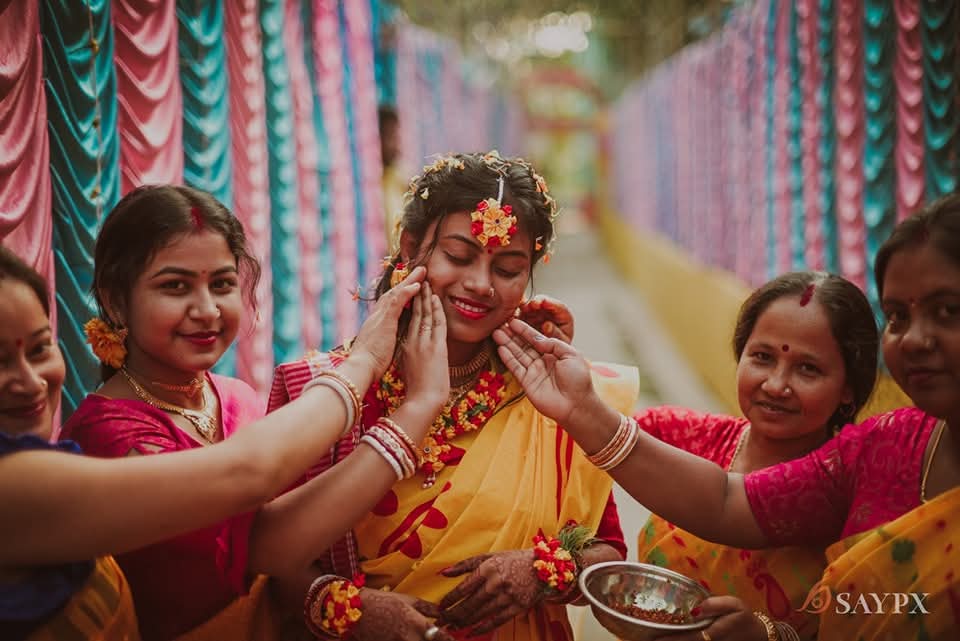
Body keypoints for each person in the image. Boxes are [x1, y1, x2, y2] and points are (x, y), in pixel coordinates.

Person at [493, 193, 960, 640]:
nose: (776, 385)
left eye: (948, 311)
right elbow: (592, 458)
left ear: (849, 391)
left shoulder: (844, 463)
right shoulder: (887, 446)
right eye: (898, 316)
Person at [268, 151, 638, 641]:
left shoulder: (548, 392)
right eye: (459, 257)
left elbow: (609, 550)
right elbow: (266, 561)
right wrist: (354, 611)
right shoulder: (322, 390)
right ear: (410, 246)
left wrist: (543, 571)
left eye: (507, 268)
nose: (479, 285)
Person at [59, 185, 452, 641]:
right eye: (174, 286)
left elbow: (285, 569)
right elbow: (267, 549)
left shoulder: (234, 397)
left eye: (222, 284)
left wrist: (351, 606)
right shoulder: (109, 436)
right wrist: (412, 408)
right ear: (114, 299)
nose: (206, 309)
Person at [622, 271, 877, 640]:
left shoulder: (857, 499)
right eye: (762, 357)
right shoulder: (697, 438)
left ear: (848, 389)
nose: (775, 385)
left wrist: (767, 634)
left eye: (808, 368)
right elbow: (591, 440)